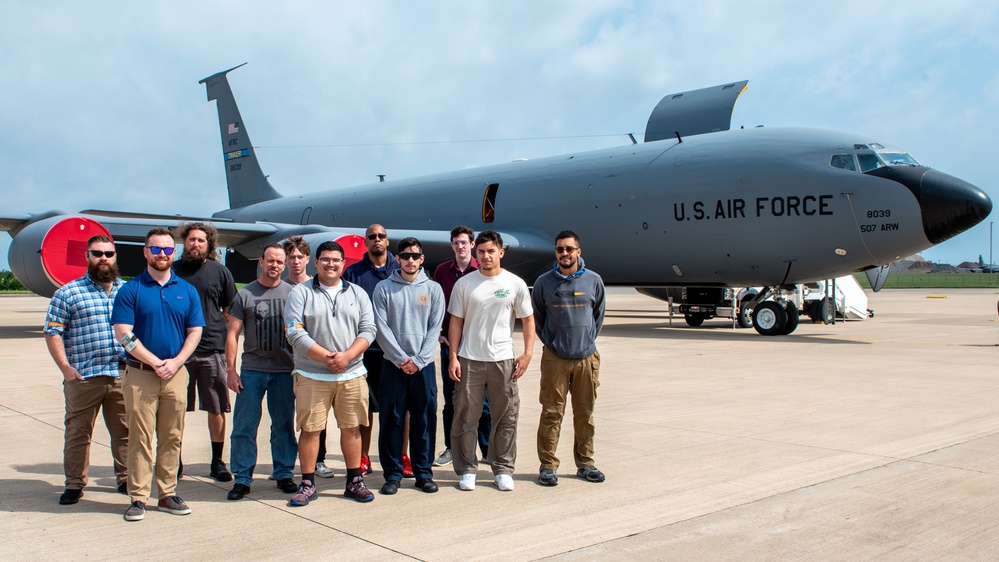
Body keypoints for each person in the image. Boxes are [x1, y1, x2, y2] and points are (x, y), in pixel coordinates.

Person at [112, 227, 204, 522]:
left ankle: (166, 493)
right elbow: (123, 334)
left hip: (176, 374)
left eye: (166, 250)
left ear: (173, 253)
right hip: (140, 374)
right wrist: (154, 362)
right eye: (155, 249)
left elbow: (195, 331)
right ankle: (138, 497)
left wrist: (176, 362)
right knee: (140, 436)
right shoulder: (131, 289)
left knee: (172, 435)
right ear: (145, 252)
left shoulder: (186, 290)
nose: (162, 254)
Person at [284, 240, 376, 506]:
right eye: (325, 259)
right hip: (312, 375)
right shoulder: (300, 293)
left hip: (352, 373)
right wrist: (327, 357)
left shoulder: (357, 293)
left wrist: (347, 357)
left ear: (343, 263)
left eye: (336, 260)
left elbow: (368, 329)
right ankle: (308, 482)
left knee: (352, 429)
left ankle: (354, 481)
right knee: (310, 430)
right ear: (316, 262)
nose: (330, 264)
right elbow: (294, 331)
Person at [44, 235, 129, 505]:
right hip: (84, 377)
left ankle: (125, 478)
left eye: (108, 253)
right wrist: (66, 369)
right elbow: (52, 332)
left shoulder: (127, 291)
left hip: (121, 375)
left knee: (125, 432)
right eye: (97, 253)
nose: (103, 258)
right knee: (78, 433)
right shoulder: (68, 293)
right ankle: (74, 484)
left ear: (115, 256)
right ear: (87, 257)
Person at [448, 230, 534, 492]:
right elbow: (456, 321)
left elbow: (528, 319)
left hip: (503, 360)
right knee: (465, 415)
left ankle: (503, 468)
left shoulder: (515, 283)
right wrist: (453, 355)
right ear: (476, 253)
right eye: (481, 252)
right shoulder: (465, 284)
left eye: (491, 251)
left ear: (501, 252)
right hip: (470, 359)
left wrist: (528, 353)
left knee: (505, 416)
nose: (486, 256)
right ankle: (466, 469)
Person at [531, 230, 607, 486]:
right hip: (555, 359)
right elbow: (538, 319)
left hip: (586, 358)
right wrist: (553, 344)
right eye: (560, 249)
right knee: (552, 413)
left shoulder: (594, 281)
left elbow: (598, 317)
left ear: (578, 252)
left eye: (569, 249)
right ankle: (548, 466)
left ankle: (586, 464)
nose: (565, 253)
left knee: (585, 413)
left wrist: (584, 341)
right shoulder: (543, 282)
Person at [224, 244, 299, 500]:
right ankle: (242, 478)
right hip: (252, 371)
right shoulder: (245, 295)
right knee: (244, 426)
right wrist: (231, 371)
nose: (274, 265)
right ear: (261, 262)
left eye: (279, 261)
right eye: (270, 260)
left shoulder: (293, 294)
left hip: (284, 371)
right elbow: (232, 334)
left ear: (285, 264)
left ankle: (284, 474)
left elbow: (302, 332)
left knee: (283, 426)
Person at [372, 237, 445, 494]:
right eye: (405, 256)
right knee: (391, 420)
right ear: (398, 258)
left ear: (422, 259)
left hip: (423, 367)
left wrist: (419, 360)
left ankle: (423, 473)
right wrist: (401, 359)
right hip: (393, 366)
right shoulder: (383, 288)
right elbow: (381, 328)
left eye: (415, 256)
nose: (410, 260)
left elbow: (435, 328)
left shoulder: (434, 289)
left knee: (424, 421)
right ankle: (392, 475)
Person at [172, 222, 237, 482]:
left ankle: (217, 461)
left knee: (216, 407)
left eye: (201, 240)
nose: (195, 244)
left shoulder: (220, 272)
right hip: (177, 353)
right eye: (191, 239)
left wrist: (222, 333)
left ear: (209, 245)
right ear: (184, 242)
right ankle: (173, 460)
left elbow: (230, 309)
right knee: (174, 409)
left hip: (212, 349)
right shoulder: (172, 271)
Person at [343, 224, 401, 476]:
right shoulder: (353, 273)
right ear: (365, 242)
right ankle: (363, 457)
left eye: (382, 236)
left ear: (387, 241)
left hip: (394, 353)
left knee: (396, 409)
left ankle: (398, 456)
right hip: (364, 353)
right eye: (372, 237)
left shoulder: (400, 270)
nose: (377, 240)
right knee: (363, 409)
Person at [432, 226, 491, 467]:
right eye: (456, 243)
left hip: (478, 346)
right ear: (452, 245)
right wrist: (437, 332)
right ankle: (450, 447)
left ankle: (487, 450)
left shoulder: (484, 269)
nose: (460, 247)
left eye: (464, 242)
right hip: (451, 346)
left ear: (472, 244)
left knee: (484, 401)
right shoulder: (442, 271)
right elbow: (435, 304)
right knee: (453, 400)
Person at [283, 235, 335, 479]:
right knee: (288, 418)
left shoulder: (316, 287)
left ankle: (319, 459)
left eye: (299, 256)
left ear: (308, 260)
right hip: (285, 360)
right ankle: (283, 464)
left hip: (317, 363)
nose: (295, 261)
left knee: (317, 419)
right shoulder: (282, 287)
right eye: (290, 257)